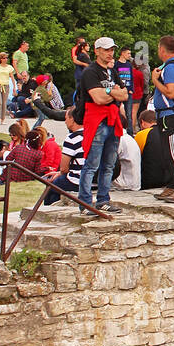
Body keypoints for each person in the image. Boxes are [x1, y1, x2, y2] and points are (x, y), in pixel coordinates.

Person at [76, 35, 127, 215]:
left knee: (109, 164)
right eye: (106, 50)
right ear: (97, 51)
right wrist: (113, 92)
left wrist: (110, 93)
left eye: (112, 50)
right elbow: (97, 98)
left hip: (112, 120)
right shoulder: (90, 72)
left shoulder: (112, 72)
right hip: (97, 120)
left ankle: (103, 200)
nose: (110, 53)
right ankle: (85, 202)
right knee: (91, 164)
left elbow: (125, 95)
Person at [150, 35, 174, 203]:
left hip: (170, 114)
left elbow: (171, 92)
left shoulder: (171, 68)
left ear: (162, 49)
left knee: (172, 151)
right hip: (165, 115)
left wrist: (154, 81)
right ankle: (172, 185)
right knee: (167, 151)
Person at [43, 108, 84, 206]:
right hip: (94, 179)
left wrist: (60, 173)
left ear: (72, 119)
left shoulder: (72, 138)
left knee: (51, 187)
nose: (65, 122)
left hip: (77, 180)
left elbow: (64, 168)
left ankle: (49, 209)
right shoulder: (93, 134)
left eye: (66, 119)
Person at [114, 46, 138, 130]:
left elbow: (131, 77)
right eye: (128, 53)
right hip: (119, 91)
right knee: (116, 111)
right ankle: (117, 128)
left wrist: (131, 89)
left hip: (128, 91)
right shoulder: (116, 64)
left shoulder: (128, 65)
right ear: (122, 53)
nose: (129, 55)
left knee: (129, 113)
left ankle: (130, 132)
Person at [0, 52, 17, 120]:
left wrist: (14, 86)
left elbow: (12, 77)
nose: (5, 59)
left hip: (6, 85)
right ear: (0, 59)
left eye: (6, 58)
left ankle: (3, 118)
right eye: (4, 58)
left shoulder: (9, 67)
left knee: (4, 103)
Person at [71, 36, 90, 103]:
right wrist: (85, 64)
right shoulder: (75, 49)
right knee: (79, 88)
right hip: (80, 72)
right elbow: (75, 61)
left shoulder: (84, 53)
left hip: (83, 71)